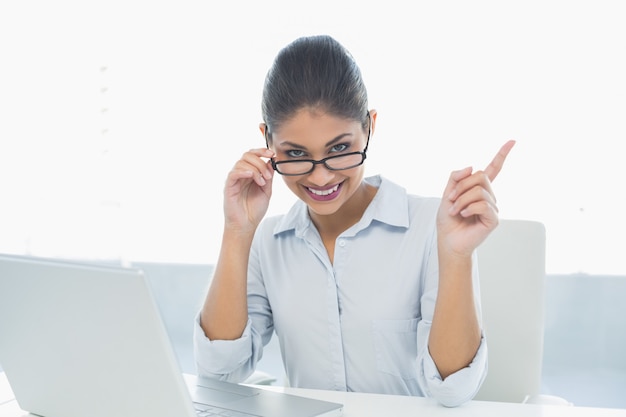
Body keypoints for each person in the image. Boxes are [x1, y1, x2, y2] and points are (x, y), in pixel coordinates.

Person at [193, 34, 515, 407]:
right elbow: (219, 373)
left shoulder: (432, 227)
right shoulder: (268, 241)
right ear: (266, 139)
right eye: (296, 153)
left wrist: (457, 257)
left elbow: (452, 390)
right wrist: (237, 231)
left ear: (369, 128)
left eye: (340, 149)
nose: (321, 177)